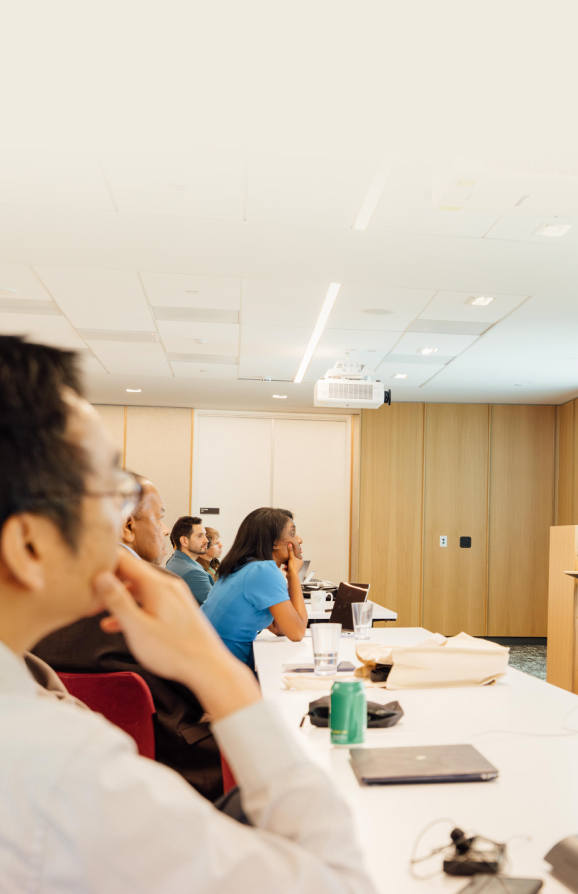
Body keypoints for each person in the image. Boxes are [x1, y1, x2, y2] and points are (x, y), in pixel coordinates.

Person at [0, 334, 373, 892]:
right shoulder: (58, 772)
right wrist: (218, 671)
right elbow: (338, 881)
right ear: (30, 547)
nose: (125, 526)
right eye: (112, 490)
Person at [33, 476, 224, 800]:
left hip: (65, 768)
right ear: (127, 526)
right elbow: (209, 689)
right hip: (177, 763)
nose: (165, 530)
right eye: (159, 517)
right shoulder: (160, 589)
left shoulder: (36, 592)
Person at [201, 509, 308, 669]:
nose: (299, 539)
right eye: (292, 533)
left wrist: (291, 576)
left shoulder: (243, 565)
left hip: (209, 660)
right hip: (221, 669)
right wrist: (293, 574)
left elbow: (280, 628)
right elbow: (297, 632)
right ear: (274, 543)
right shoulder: (263, 570)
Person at [167, 516, 214, 604]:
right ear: (184, 541)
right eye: (200, 536)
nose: (206, 540)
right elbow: (216, 605)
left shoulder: (175, 561)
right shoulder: (192, 572)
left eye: (205, 535)